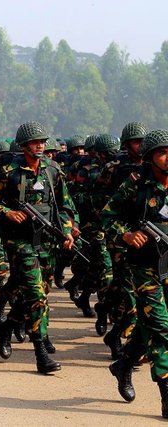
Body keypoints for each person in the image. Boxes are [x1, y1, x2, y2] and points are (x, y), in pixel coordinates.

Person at [0, 121, 76, 374]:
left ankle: (6, 328)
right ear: (24, 145)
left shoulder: (52, 170)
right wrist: (7, 212)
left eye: (42, 142)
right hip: (19, 241)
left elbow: (64, 205)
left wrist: (68, 230)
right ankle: (40, 352)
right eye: (35, 142)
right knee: (36, 296)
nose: (40, 146)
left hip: (46, 240)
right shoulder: (9, 171)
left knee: (38, 293)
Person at [102, 129, 168, 418]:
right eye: (163, 152)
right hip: (144, 267)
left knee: (148, 325)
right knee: (161, 327)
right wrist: (126, 236)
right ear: (150, 157)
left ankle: (124, 364)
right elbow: (108, 216)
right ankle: (167, 394)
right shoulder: (135, 185)